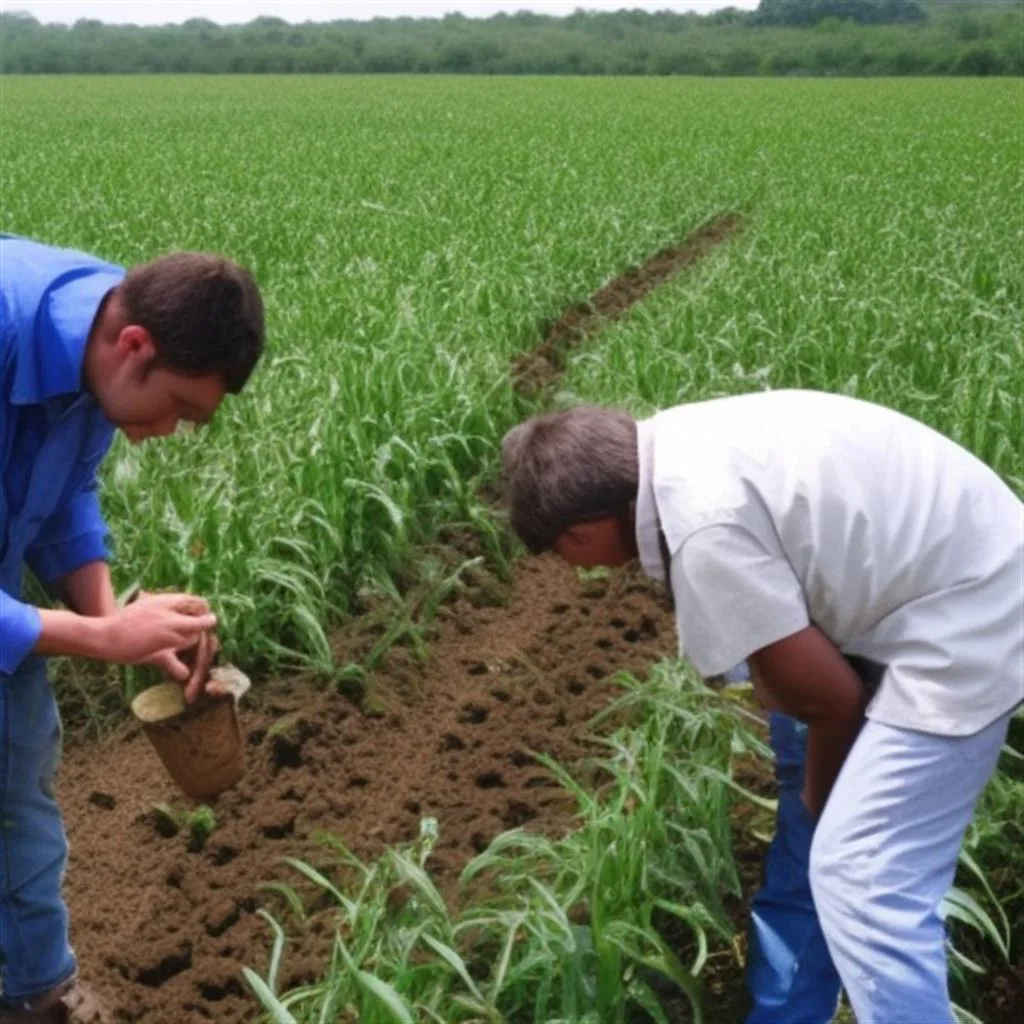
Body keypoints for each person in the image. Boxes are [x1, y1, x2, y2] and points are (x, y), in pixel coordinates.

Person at [500, 390, 1022, 1023]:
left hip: (973, 616)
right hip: (951, 564)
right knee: (815, 771)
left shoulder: (702, 528)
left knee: (860, 876)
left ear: (581, 531)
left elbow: (834, 702)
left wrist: (817, 806)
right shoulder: (673, 446)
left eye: (562, 554)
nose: (575, 571)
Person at [1, 234, 265, 1021]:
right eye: (179, 408)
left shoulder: (105, 337)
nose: (168, 433)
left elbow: (62, 493)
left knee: (17, 773)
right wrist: (98, 639)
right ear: (135, 346)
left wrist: (117, 620)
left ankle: (34, 993)